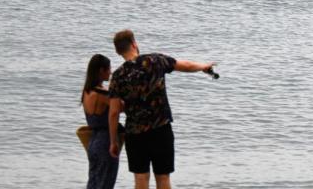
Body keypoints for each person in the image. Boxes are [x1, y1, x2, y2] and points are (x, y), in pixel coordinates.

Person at [108, 30, 216, 189]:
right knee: (163, 177)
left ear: (118, 51)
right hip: (161, 129)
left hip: (135, 134)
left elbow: (113, 113)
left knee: (140, 178)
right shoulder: (155, 60)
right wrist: (203, 66)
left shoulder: (118, 76)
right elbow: (185, 65)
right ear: (134, 44)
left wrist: (113, 141)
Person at [82, 54, 120, 189]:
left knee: (93, 182)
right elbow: (120, 108)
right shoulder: (102, 94)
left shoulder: (86, 92)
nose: (110, 72)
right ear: (101, 71)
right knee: (106, 183)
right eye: (108, 69)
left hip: (92, 142)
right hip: (105, 141)